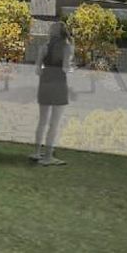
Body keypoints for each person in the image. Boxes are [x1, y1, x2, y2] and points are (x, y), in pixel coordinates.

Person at [31, 23, 75, 166]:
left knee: (42, 121)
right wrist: (72, 68)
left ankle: (37, 152)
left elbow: (37, 70)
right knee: (54, 123)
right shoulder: (67, 47)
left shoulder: (44, 47)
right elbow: (65, 68)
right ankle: (48, 157)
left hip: (44, 84)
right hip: (58, 85)